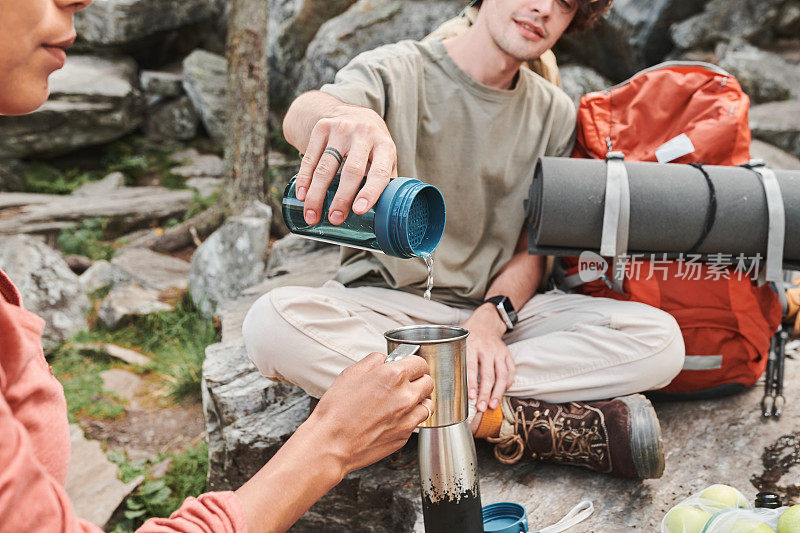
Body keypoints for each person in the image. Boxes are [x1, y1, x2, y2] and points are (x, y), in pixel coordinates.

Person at [0, 0, 434, 531]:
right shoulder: (409, 63)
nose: (81, 1)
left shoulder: (543, 107)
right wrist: (330, 443)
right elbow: (305, 112)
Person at [244, 0, 687, 480]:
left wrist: (489, 322)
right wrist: (351, 121)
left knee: (660, 341)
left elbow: (530, 251)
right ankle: (507, 421)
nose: (542, 8)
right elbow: (303, 114)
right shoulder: (396, 69)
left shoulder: (555, 112)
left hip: (497, 318)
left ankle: (405, 403)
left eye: (565, 3)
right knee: (272, 323)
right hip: (391, 310)